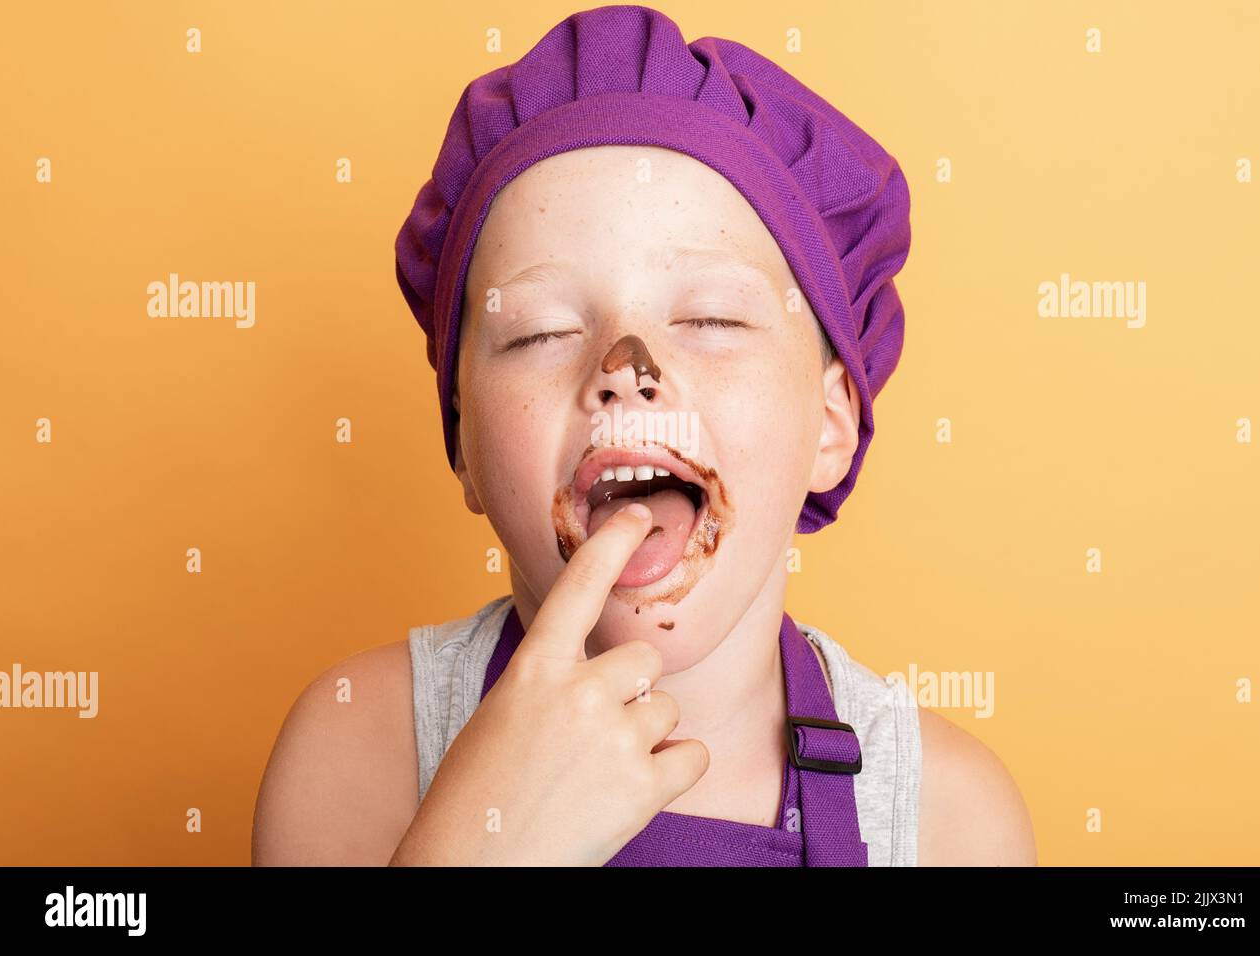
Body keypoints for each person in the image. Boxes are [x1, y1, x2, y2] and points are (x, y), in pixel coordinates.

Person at [252, 4, 1035, 866]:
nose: (627, 367)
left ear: (834, 424)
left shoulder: (948, 817)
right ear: (462, 440)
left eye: (711, 316)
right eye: (540, 331)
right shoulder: (357, 745)